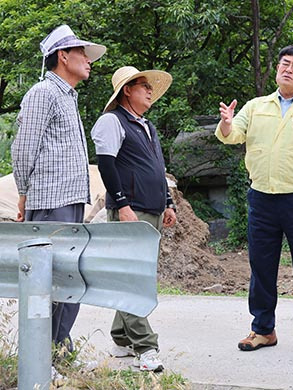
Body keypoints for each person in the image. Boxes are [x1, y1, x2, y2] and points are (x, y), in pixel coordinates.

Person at [215, 45, 293, 354]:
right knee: (262, 266)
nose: (287, 69)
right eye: (284, 64)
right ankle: (263, 329)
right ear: (276, 69)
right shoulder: (257, 105)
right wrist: (228, 123)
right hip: (262, 198)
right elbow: (232, 135)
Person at [11, 24, 106, 356]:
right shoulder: (43, 93)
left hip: (69, 202)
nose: (88, 59)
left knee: (69, 280)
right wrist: (23, 192)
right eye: (81, 52)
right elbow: (23, 149)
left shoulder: (67, 97)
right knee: (51, 282)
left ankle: (57, 353)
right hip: (52, 203)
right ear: (63, 57)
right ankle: (43, 356)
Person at [91, 66, 176, 372]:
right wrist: (122, 205)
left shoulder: (147, 126)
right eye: (143, 85)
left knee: (134, 277)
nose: (150, 90)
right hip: (130, 211)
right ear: (127, 90)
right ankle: (146, 346)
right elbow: (107, 166)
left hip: (151, 210)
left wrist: (168, 202)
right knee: (130, 280)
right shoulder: (112, 121)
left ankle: (120, 337)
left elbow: (157, 166)